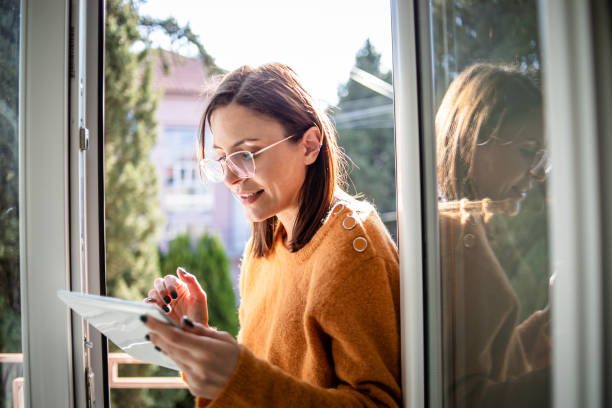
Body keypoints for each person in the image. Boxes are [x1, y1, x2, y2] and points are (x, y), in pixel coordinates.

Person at [141, 63, 402, 407]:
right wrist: (198, 338)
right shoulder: (265, 244)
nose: (231, 179)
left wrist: (237, 373)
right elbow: (259, 384)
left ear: (309, 145)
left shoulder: (352, 247)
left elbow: (379, 403)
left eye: (247, 154)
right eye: (222, 159)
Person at [435, 63, 551, 408]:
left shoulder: (466, 230)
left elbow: (483, 362)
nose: (539, 174)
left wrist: (539, 327)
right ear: (475, 138)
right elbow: (464, 399)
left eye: (543, 157)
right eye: (528, 151)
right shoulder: (454, 239)